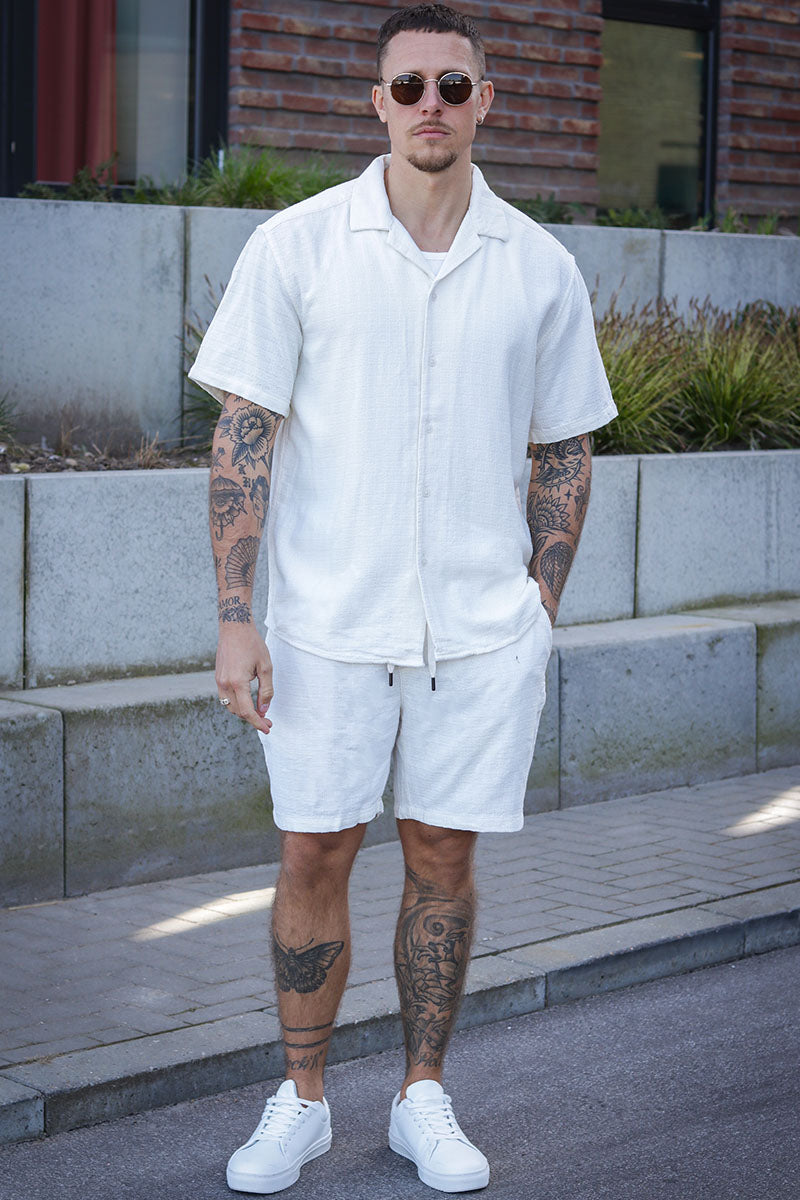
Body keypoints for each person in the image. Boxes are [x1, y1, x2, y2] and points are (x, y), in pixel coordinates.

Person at [189, 4, 617, 1193]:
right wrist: (235, 616)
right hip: (324, 623)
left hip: (477, 634)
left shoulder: (538, 266)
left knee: (441, 856)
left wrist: (536, 608)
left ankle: (421, 1096)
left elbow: (564, 447)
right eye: (410, 86)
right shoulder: (297, 246)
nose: (432, 104)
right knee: (313, 847)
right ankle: (301, 1102)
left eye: (453, 86)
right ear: (376, 103)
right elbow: (241, 435)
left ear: (485, 103)